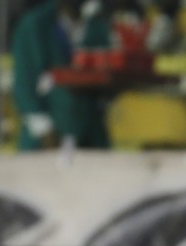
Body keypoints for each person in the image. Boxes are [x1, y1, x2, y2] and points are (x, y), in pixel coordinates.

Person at [10, 0, 112, 151]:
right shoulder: (35, 25)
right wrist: (44, 131)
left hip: (90, 136)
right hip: (45, 140)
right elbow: (24, 86)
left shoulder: (97, 25)